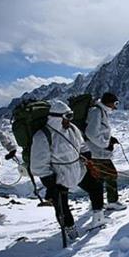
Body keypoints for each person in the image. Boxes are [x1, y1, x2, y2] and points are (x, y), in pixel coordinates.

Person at [30, 100, 104, 240]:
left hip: (78, 169)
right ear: (56, 118)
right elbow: (38, 164)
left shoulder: (72, 129)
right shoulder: (43, 136)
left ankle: (98, 217)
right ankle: (70, 230)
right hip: (60, 176)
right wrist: (50, 183)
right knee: (62, 207)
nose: (70, 120)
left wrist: (87, 156)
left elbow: (81, 145)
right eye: (67, 117)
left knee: (96, 186)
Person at [85, 92, 126, 211]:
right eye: (115, 103)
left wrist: (109, 139)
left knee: (99, 178)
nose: (115, 106)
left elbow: (99, 132)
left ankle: (97, 202)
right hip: (97, 153)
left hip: (97, 152)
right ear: (108, 102)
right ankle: (112, 202)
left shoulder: (100, 111)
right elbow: (91, 133)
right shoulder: (97, 112)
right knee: (111, 175)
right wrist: (106, 144)